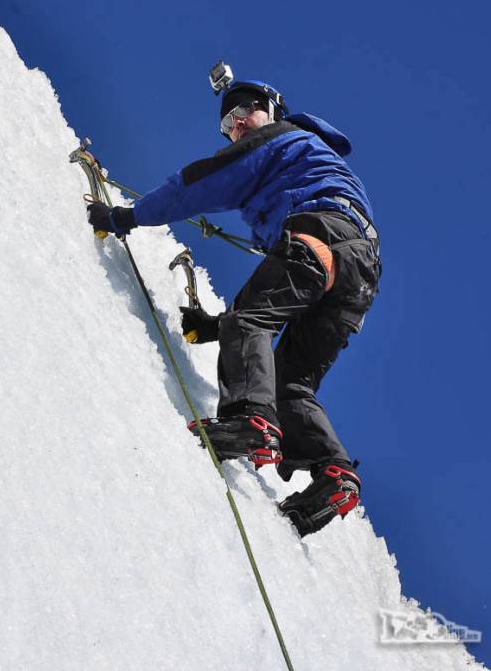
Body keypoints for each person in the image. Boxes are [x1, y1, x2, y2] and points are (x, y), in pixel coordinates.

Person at [87, 74, 381, 535]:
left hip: (321, 234)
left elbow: (200, 184)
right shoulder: (309, 163)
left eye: (246, 108)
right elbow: (282, 293)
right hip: (356, 273)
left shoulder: (282, 141)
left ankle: (251, 422)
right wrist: (215, 327)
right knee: (291, 383)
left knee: (251, 321)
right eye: (227, 120)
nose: (237, 122)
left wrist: (125, 216)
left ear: (273, 111)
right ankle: (333, 474)